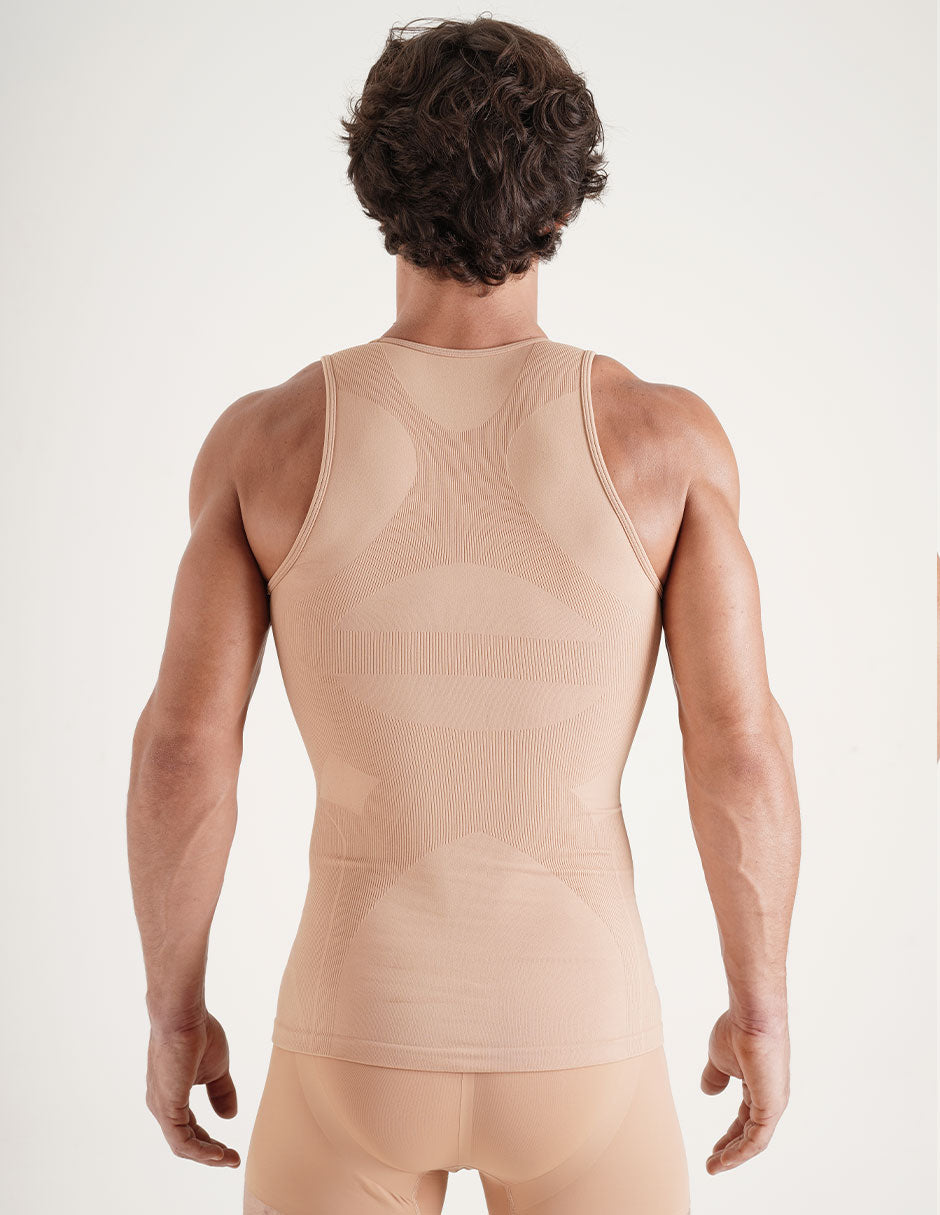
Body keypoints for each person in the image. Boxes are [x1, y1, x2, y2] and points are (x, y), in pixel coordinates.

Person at [126, 16, 801, 1214]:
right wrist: (760, 1010)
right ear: (565, 201)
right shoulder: (668, 445)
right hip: (580, 1027)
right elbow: (737, 752)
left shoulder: (263, 446)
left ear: (376, 188)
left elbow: (184, 752)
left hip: (354, 1025)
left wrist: (173, 1016)